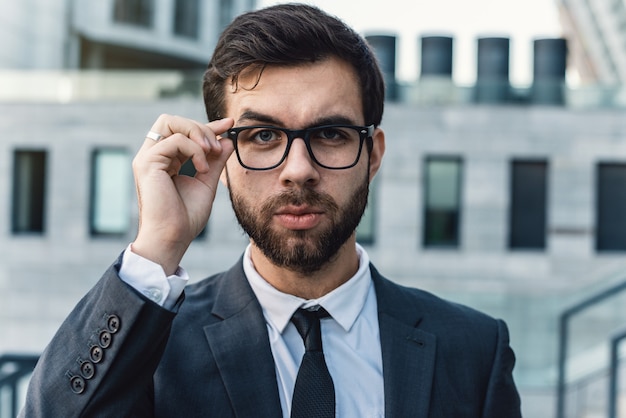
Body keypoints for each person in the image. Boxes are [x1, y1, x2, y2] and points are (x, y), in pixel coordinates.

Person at [21, 3, 521, 417]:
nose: (298, 170)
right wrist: (157, 247)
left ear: (373, 155)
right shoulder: (152, 343)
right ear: (220, 153)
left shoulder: (474, 349)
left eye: (330, 134)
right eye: (263, 136)